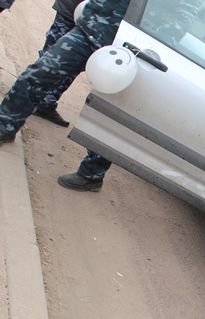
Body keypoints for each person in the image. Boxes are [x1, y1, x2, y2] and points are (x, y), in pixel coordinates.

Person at [0, 0, 130, 191]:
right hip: (91, 29)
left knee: (113, 112)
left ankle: (91, 175)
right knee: (40, 72)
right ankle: (6, 125)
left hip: (130, 49)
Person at [33, 0, 85, 127]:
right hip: (74, 11)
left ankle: (45, 101)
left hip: (93, 22)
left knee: (74, 62)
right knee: (52, 53)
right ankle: (31, 95)